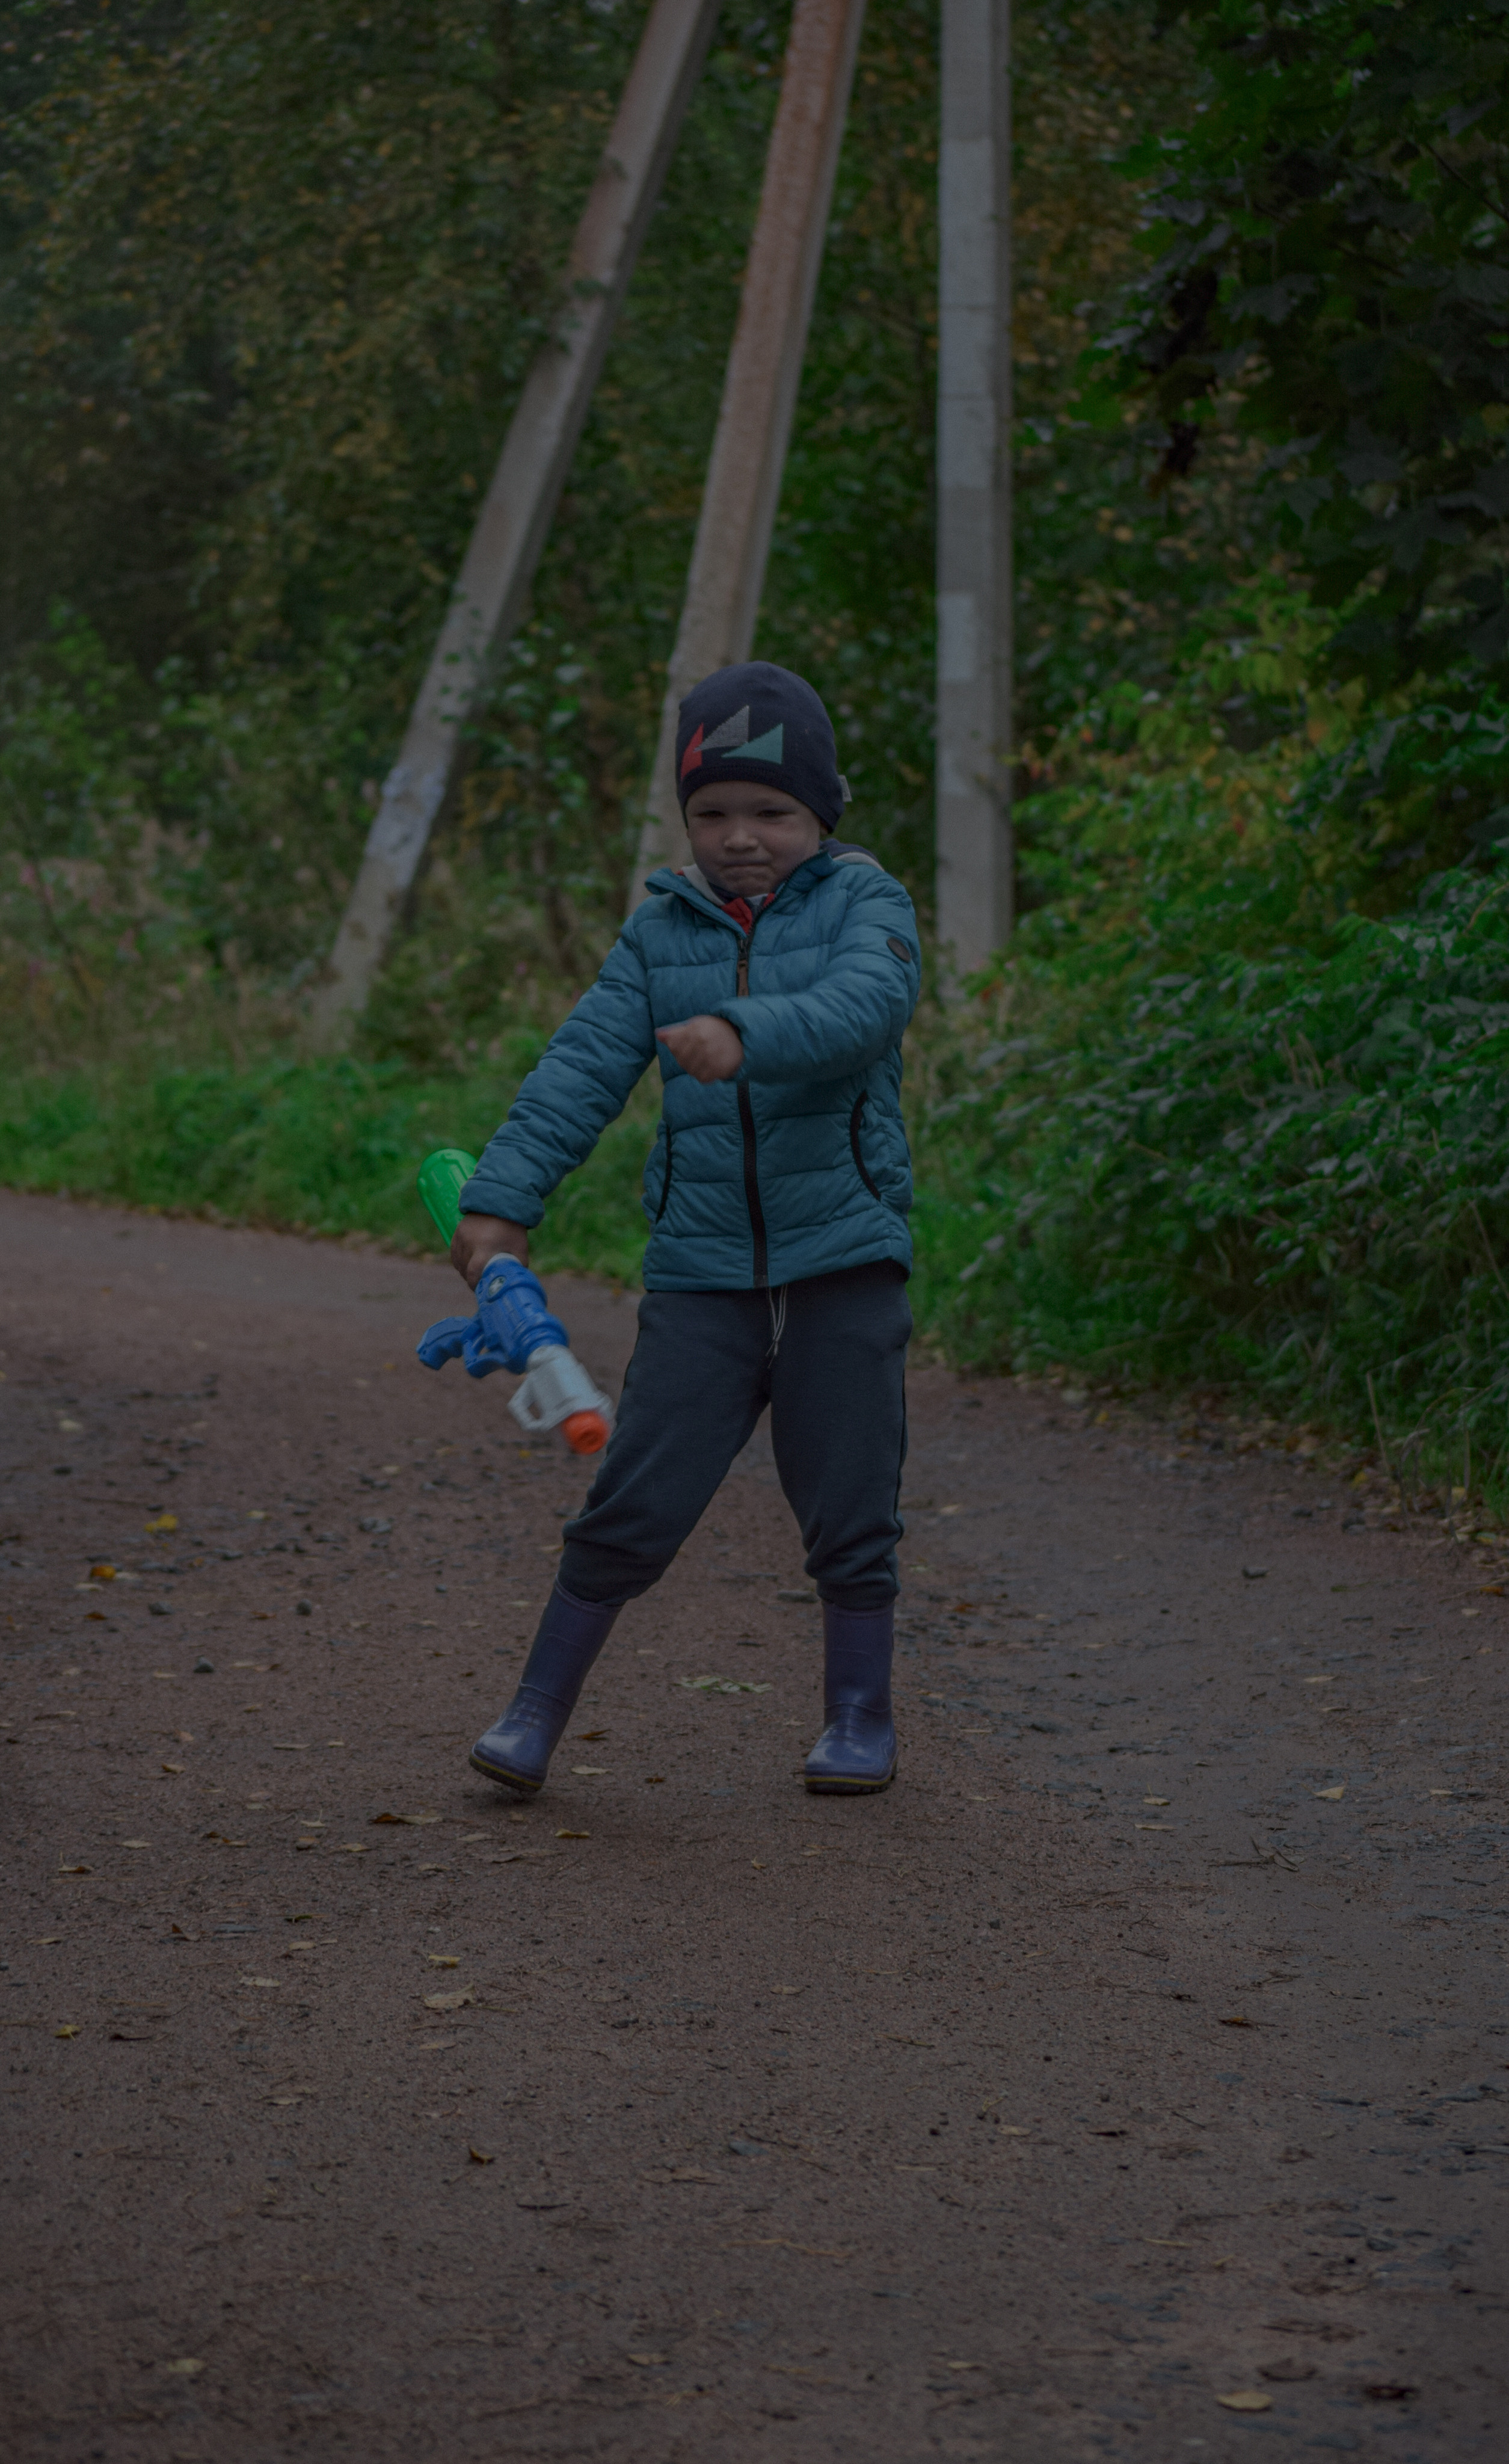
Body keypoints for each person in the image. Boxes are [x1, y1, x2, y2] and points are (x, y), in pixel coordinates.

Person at [451, 661, 920, 1799]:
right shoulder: (660, 933)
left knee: (850, 1498)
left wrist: (741, 1029)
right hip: (702, 1272)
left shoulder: (869, 903)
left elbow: (865, 1006)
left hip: (841, 1263)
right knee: (632, 1500)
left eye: (771, 812)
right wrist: (500, 1206)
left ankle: (859, 1718)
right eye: (712, 813)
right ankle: (533, 1712)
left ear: (820, 812)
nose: (740, 838)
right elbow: (577, 1070)